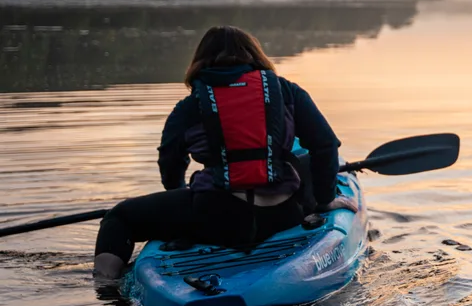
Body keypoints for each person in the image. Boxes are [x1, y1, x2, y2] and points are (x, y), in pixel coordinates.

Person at [92, 25, 342, 279]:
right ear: (256, 56)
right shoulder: (288, 92)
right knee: (305, 165)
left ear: (200, 61)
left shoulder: (189, 107)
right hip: (283, 216)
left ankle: (106, 286)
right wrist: (324, 200)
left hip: (215, 217)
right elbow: (326, 145)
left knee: (119, 217)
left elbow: (170, 161)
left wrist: (180, 198)